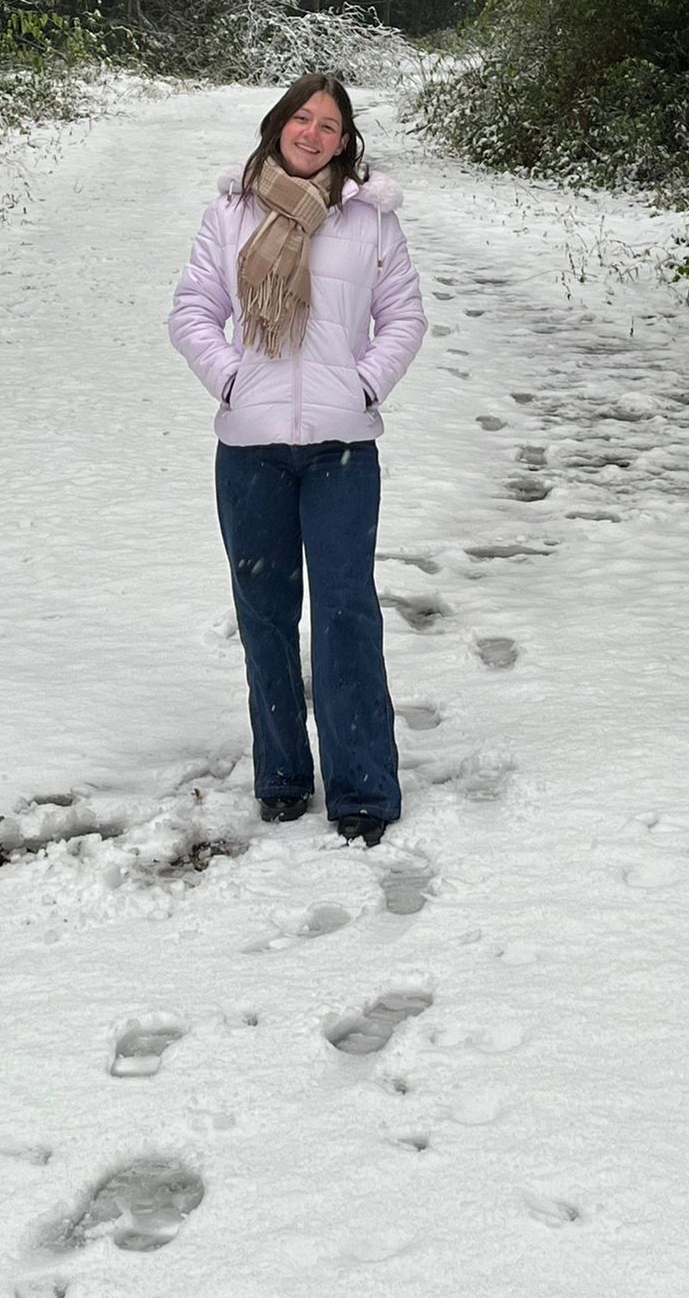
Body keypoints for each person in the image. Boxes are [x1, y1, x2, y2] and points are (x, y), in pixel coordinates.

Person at [168, 74, 427, 847]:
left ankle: (362, 788)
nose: (312, 133)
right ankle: (281, 776)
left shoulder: (368, 220)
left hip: (342, 448)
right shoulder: (231, 211)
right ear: (278, 125)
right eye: (300, 119)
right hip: (250, 450)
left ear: (345, 141)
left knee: (347, 613)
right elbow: (193, 311)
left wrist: (365, 381)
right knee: (265, 614)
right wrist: (232, 376)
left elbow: (404, 316)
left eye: (329, 124)